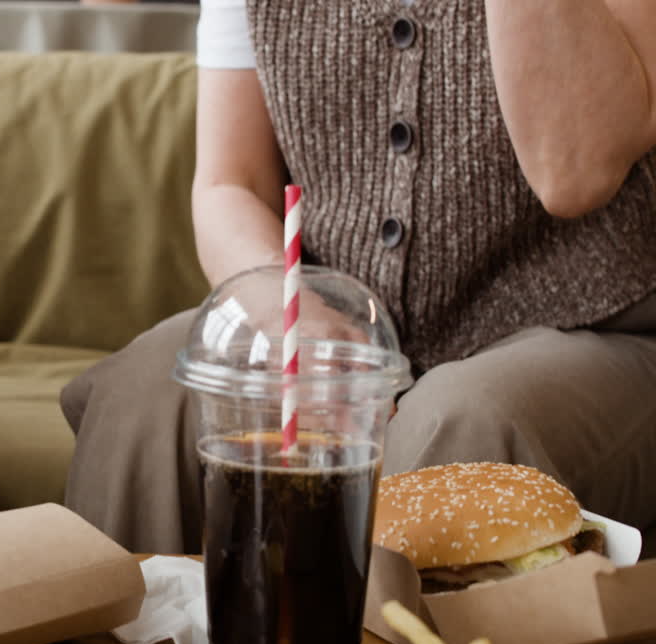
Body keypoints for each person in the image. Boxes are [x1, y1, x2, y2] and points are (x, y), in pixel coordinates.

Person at [61, 0, 656, 554]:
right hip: (345, 320)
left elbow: (573, 172)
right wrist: (285, 307)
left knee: (462, 429)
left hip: (602, 333)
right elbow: (229, 184)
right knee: (149, 394)